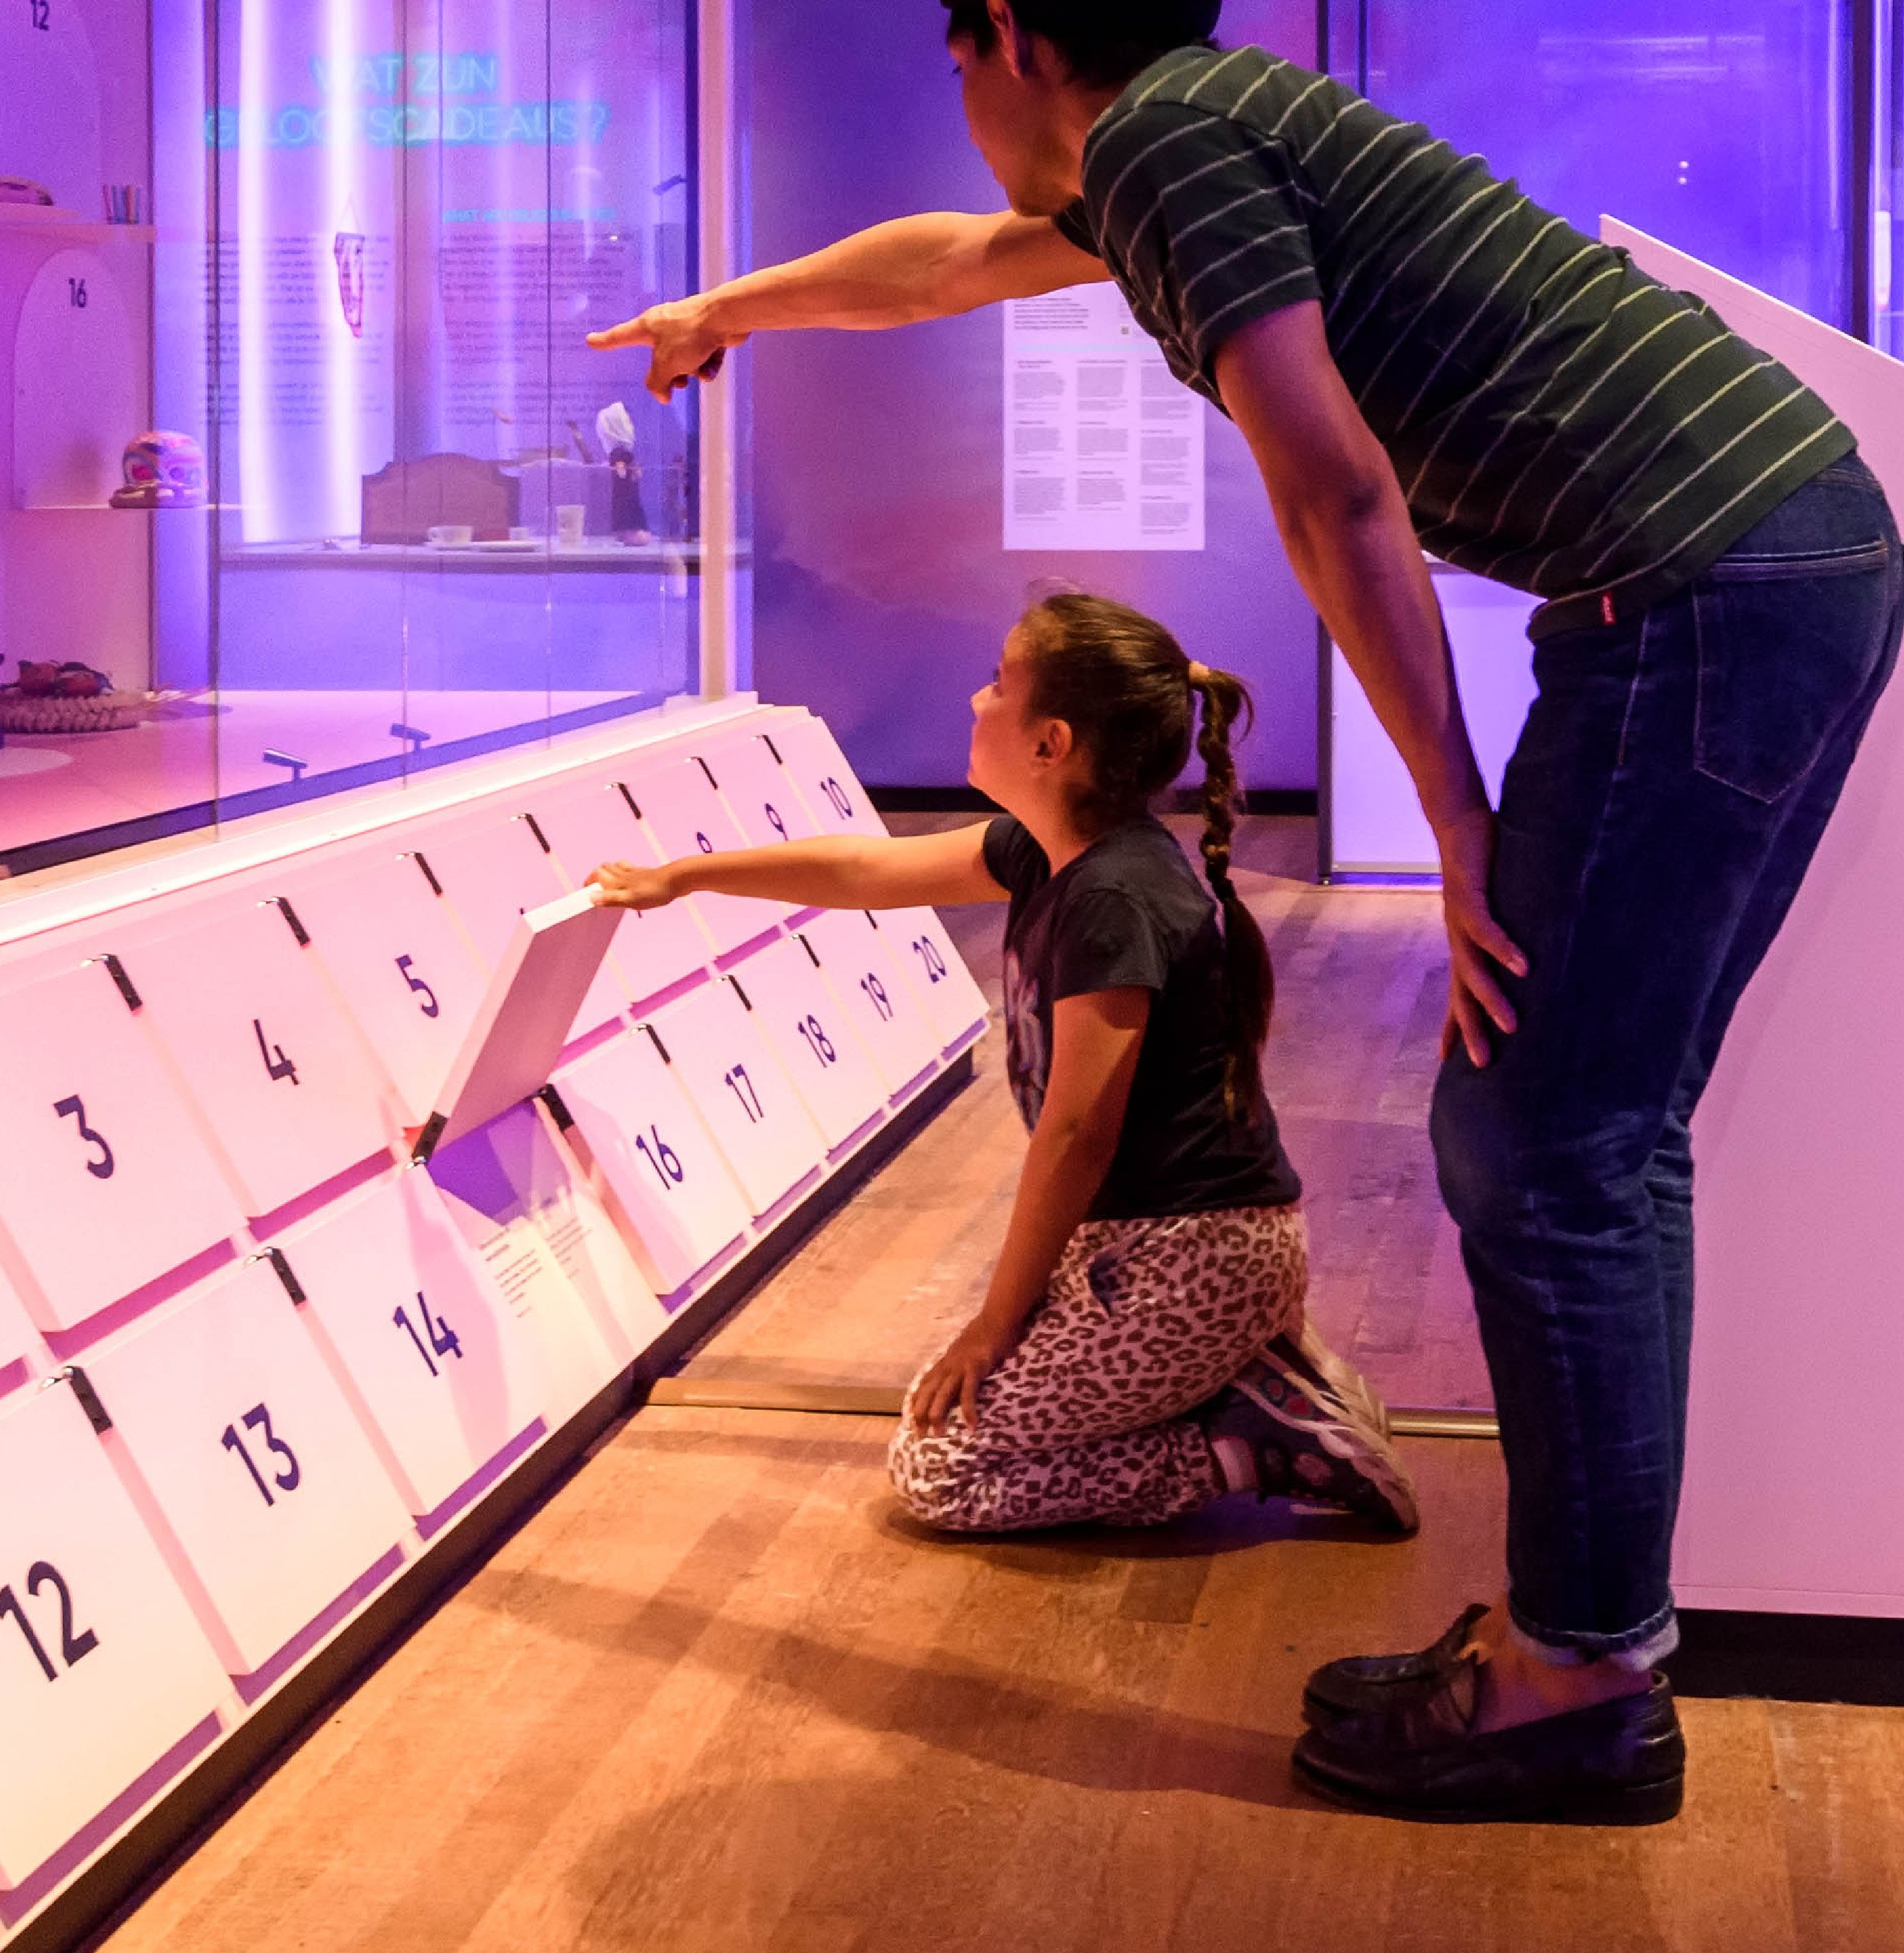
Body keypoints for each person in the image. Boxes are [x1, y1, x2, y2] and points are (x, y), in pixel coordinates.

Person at [593, 0, 1904, 1825]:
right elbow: (949, 265)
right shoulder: (1205, 136)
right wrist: (727, 309)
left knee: (1547, 1142)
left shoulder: (1171, 149)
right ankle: (1589, 1648)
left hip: (1703, 588)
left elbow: (1334, 487)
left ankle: (1579, 1680)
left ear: (1005, 37)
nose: (963, 99)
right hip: (1775, 555)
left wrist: (1452, 814)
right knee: (1585, 1135)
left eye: (956, 60)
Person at [589, 593, 1418, 1541]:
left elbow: (1074, 1137)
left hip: (1193, 1261)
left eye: (998, 684)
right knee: (948, 1408)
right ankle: (1249, 1376)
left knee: (939, 1470)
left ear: (1050, 744)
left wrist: (994, 1322)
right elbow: (863, 872)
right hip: (1157, 1249)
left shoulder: (1115, 899)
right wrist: (683, 877)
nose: (977, 699)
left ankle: (1253, 1444)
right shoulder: (1050, 852)